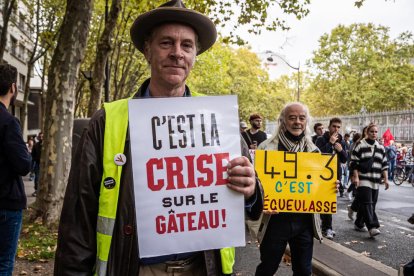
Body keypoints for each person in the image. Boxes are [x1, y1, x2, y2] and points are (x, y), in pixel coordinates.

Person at [54, 1, 263, 275]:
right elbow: (78, 222)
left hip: (203, 268)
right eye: (166, 43)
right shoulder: (107, 122)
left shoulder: (219, 120)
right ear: (147, 51)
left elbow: (253, 201)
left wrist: (249, 190)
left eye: (187, 45)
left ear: (195, 54)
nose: (177, 53)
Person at [255, 102, 324, 276]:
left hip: (304, 222)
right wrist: (262, 202)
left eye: (302, 118)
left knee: (303, 270)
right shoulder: (265, 148)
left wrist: (328, 186)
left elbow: (316, 186)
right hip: (275, 221)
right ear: (283, 121)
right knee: (267, 268)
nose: (297, 122)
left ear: (306, 121)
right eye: (292, 118)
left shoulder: (314, 151)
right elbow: (255, 184)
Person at [0, 64, 32, 275]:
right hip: (5, 203)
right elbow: (23, 165)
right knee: (3, 264)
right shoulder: (9, 122)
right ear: (13, 88)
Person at [350, 123, 389, 237]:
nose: (374, 134)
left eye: (376, 132)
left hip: (376, 180)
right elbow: (354, 163)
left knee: (370, 204)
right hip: (363, 180)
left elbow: (384, 165)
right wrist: (356, 177)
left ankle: (359, 223)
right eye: (372, 131)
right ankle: (372, 227)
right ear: (367, 132)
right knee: (368, 203)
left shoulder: (381, 147)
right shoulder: (360, 145)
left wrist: (386, 179)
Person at [315, 118, 347, 239]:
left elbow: (345, 159)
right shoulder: (320, 139)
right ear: (329, 127)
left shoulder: (341, 141)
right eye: (334, 126)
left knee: (329, 202)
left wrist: (341, 150)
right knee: (323, 201)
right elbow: (319, 156)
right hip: (321, 175)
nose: (336, 129)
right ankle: (325, 227)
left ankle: (326, 227)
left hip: (335, 176)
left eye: (338, 127)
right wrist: (330, 143)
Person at [31, 132, 43, 197]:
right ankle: (36, 190)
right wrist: (32, 168)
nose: (41, 138)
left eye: (42, 137)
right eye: (40, 137)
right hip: (38, 163)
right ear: (38, 137)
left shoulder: (47, 145)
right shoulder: (36, 145)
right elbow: (33, 156)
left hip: (46, 164)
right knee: (37, 177)